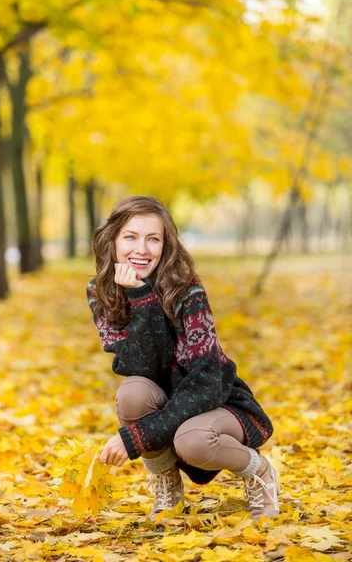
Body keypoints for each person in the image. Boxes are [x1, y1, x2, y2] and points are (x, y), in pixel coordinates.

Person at [86, 195, 281, 522]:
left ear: (166, 245)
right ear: (113, 240)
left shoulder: (187, 290)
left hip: (217, 401)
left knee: (192, 441)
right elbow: (141, 368)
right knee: (132, 394)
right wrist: (140, 298)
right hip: (165, 402)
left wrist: (136, 438)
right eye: (131, 237)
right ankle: (166, 481)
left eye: (153, 239)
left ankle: (259, 471)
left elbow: (207, 382)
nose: (142, 249)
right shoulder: (101, 292)